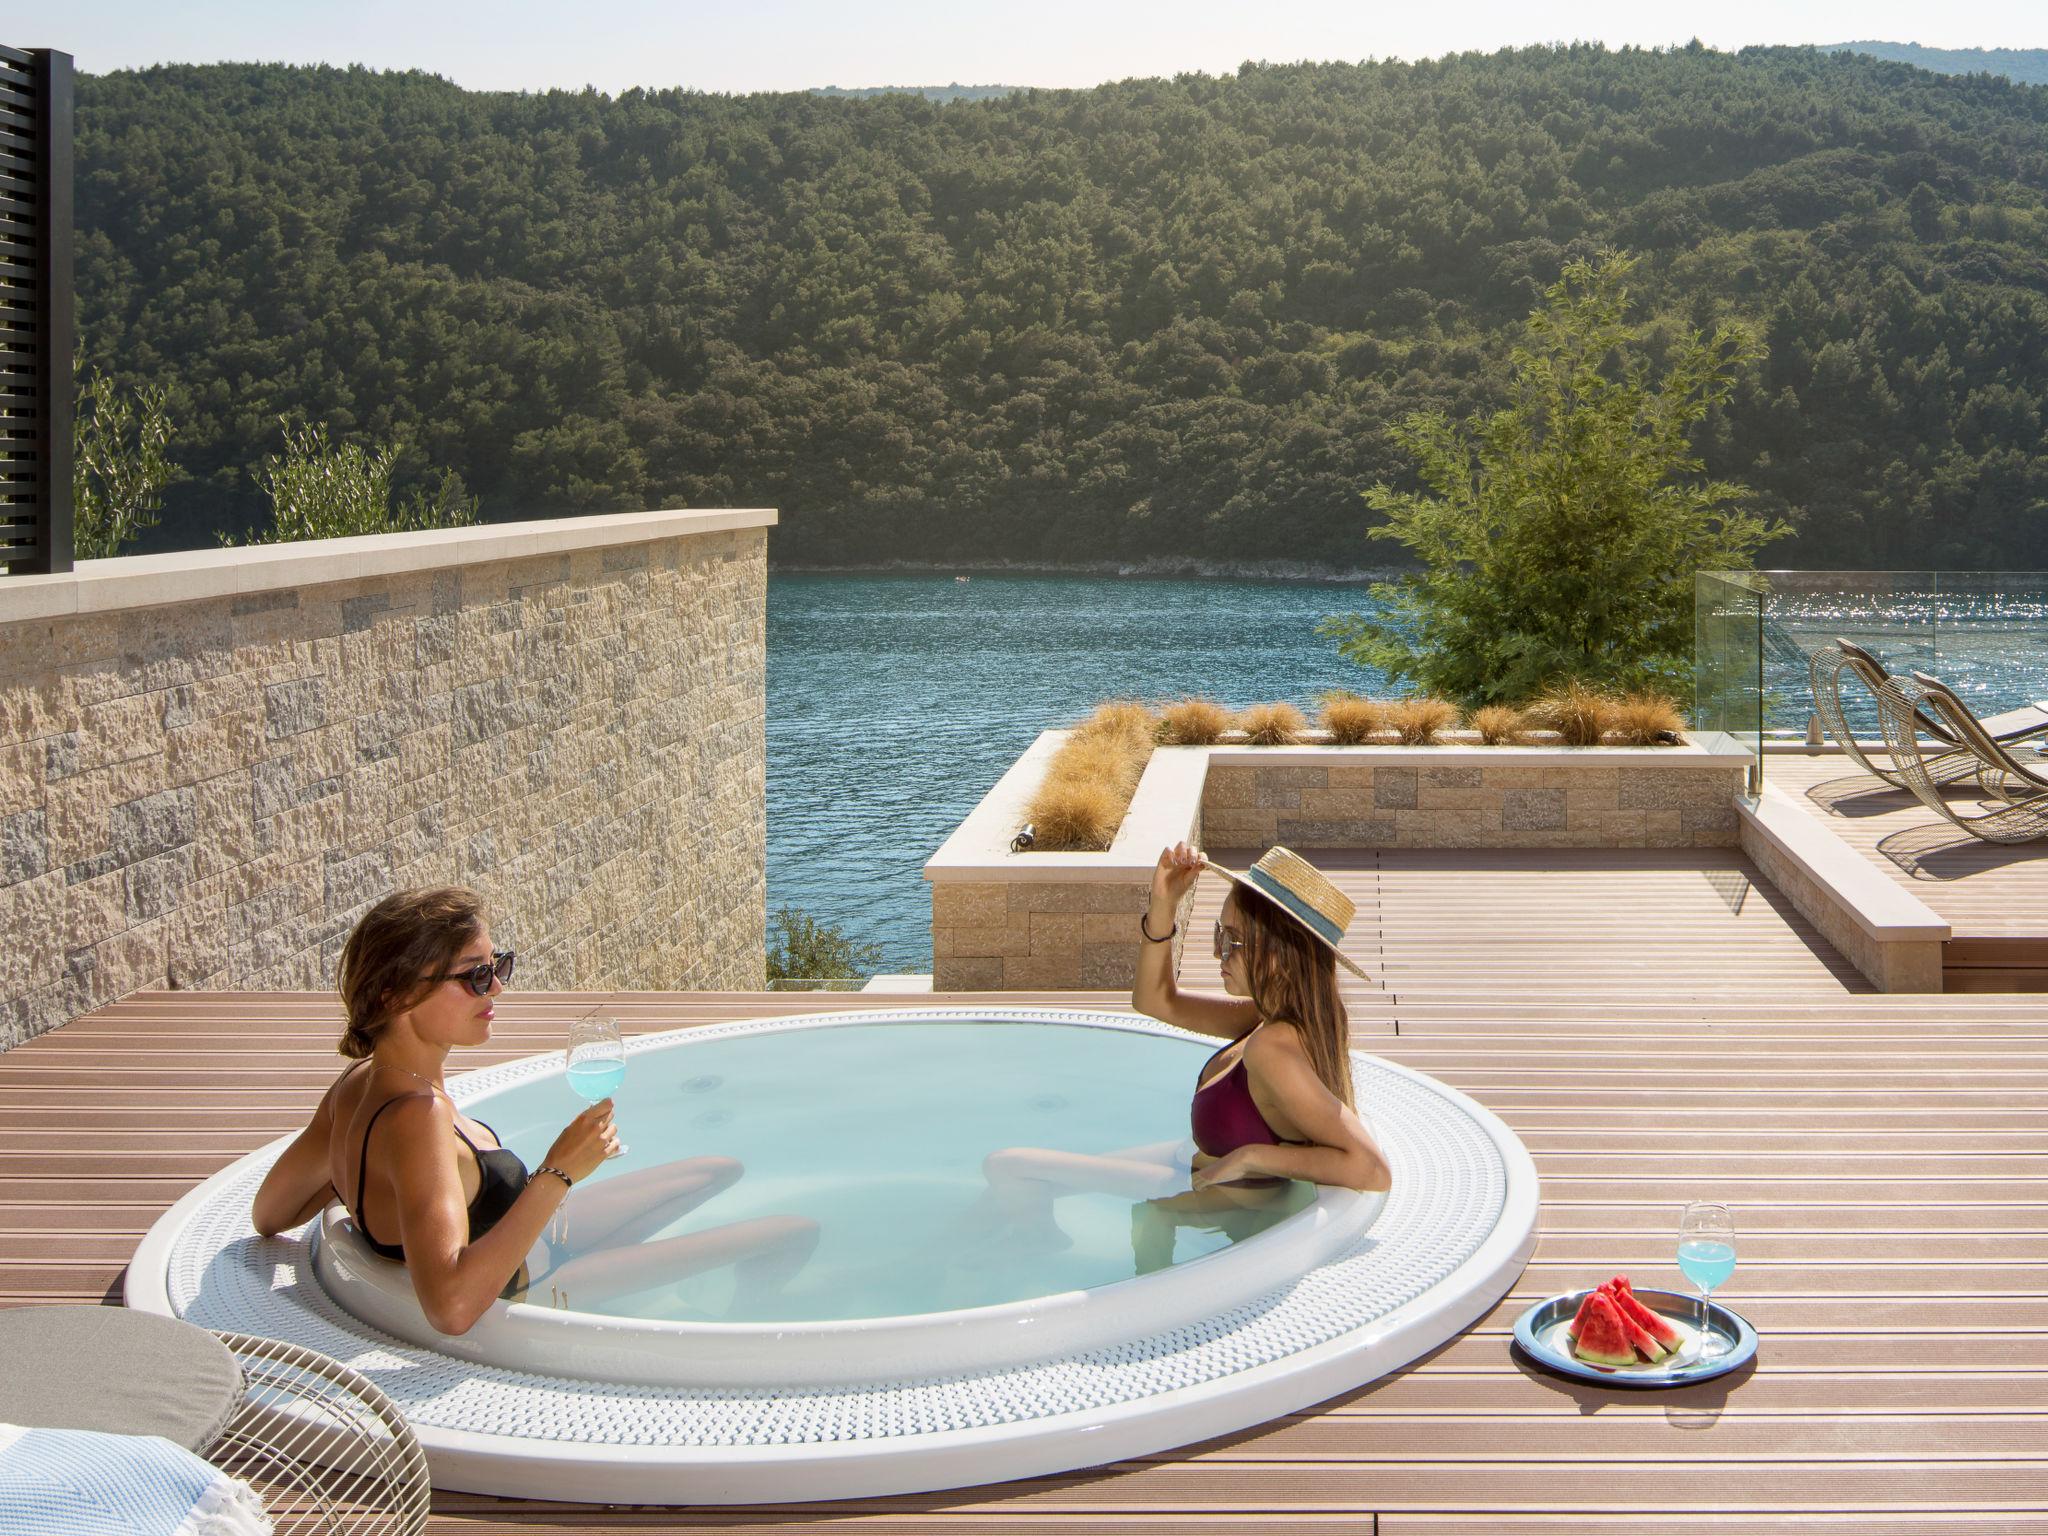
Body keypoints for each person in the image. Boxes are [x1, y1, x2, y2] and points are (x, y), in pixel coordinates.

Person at [252, 887, 817, 1335]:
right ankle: (735, 1320)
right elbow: (450, 1308)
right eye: (474, 975)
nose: (496, 987)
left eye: (499, 965)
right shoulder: (416, 1118)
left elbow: (270, 1213)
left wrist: (370, 1185)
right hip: (533, 1277)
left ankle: (647, 1276)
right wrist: (559, 1171)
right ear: (396, 996)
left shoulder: (358, 1084)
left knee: (720, 1168)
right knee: (797, 1230)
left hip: (532, 1231)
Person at [975, 843, 1389, 1254]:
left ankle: (1031, 1258)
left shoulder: (1274, 1047)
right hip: (1196, 1160)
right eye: (1218, 933)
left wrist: (1251, 1157)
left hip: (1226, 1188)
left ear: (1279, 955)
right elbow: (1156, 1001)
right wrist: (1163, 903)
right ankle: (1023, 1245)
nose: (1217, 952)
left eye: (1234, 942)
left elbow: (1371, 1168)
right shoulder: (1270, 1017)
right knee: (1009, 1190)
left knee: (1008, 1166)